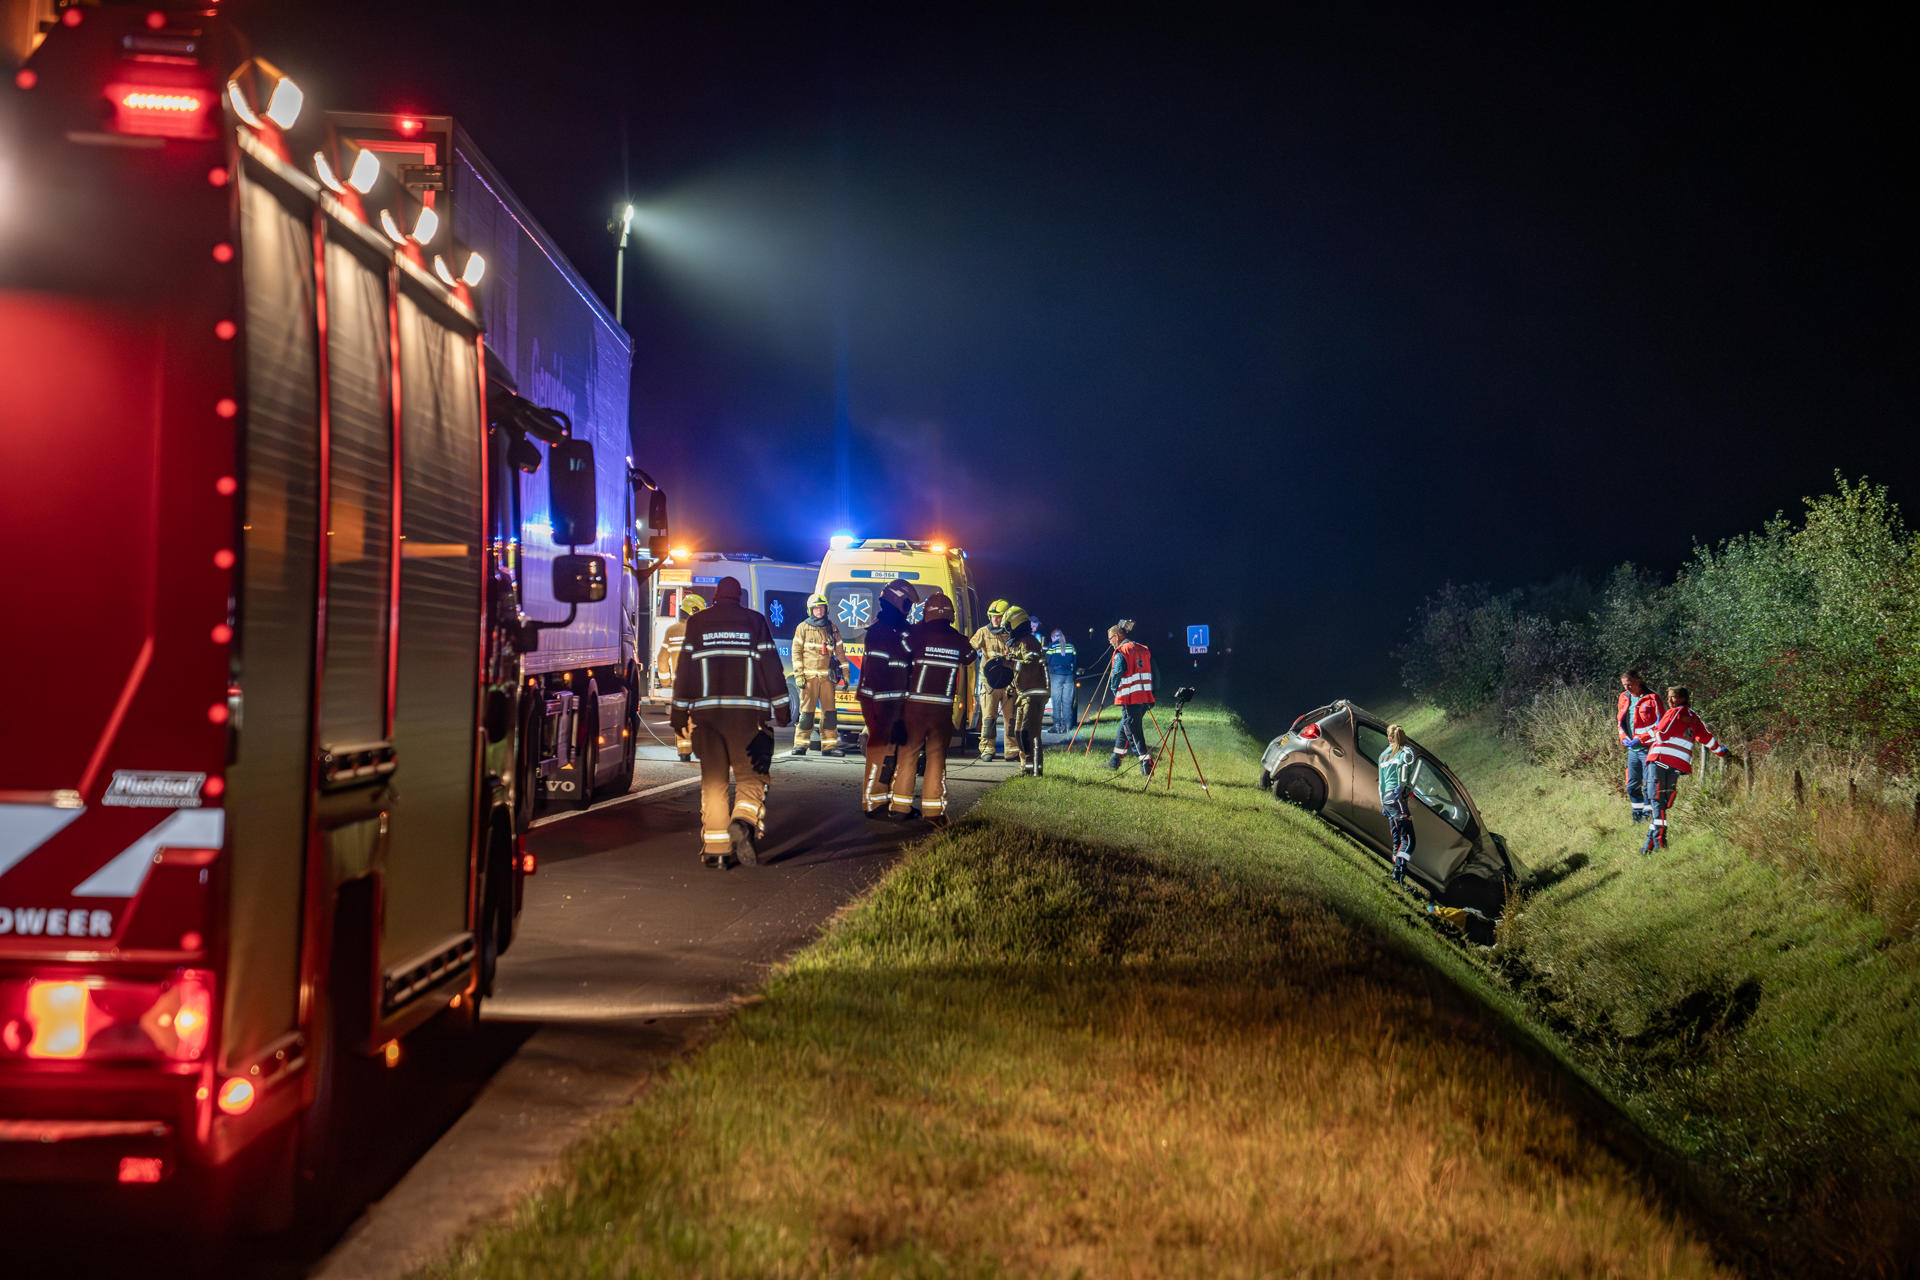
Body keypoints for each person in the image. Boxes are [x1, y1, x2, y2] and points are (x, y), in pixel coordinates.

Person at [669, 576, 790, 869]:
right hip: (748, 719)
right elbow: (772, 667)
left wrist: (678, 713)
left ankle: (717, 848)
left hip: (707, 719)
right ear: (739, 597)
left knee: (713, 782)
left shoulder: (697, 624)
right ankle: (743, 821)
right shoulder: (755, 622)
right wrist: (782, 708)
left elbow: (685, 670)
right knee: (752, 777)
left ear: (715, 597)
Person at [890, 590, 976, 824]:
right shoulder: (958, 640)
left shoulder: (915, 634)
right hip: (941, 712)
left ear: (926, 612)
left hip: (914, 709)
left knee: (907, 756)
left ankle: (899, 807)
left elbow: (900, 654)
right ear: (951, 614)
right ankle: (933, 813)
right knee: (936, 759)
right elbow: (971, 656)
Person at [1642, 686, 1732, 852]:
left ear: (1682, 698)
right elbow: (1707, 738)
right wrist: (1720, 752)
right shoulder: (1694, 717)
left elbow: (1661, 733)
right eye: (1668, 697)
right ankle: (1648, 844)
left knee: (1656, 801)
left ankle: (1659, 842)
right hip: (1678, 765)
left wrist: (1642, 736)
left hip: (1660, 760)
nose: (1669, 701)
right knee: (1663, 803)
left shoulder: (1674, 712)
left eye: (1673, 697)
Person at [856, 578, 918, 816]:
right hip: (881, 703)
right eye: (908, 604)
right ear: (897, 601)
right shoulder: (881, 632)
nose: (909, 609)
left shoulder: (895, 629)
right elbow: (879, 673)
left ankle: (885, 801)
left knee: (890, 753)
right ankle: (873, 804)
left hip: (891, 703)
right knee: (880, 751)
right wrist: (890, 716)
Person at [790, 594, 848, 757]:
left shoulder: (832, 627)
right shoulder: (803, 628)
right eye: (816, 608)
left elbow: (840, 652)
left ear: (826, 609)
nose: (819, 611)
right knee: (806, 714)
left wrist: (845, 673)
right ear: (810, 610)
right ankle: (800, 745)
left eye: (821, 608)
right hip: (809, 679)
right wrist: (799, 675)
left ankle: (829, 746)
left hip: (827, 680)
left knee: (829, 714)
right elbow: (796, 652)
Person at [654, 592, 706, 761]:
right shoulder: (703, 632)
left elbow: (662, 658)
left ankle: (684, 751)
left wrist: (665, 681)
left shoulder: (672, 631)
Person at [1002, 606, 1049, 775]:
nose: (1006, 628)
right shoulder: (1019, 642)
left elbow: (1030, 667)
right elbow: (1018, 673)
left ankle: (1035, 771)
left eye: (1008, 624)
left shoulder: (1029, 642)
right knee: (1019, 732)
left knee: (1031, 733)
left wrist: (1009, 663)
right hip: (1024, 693)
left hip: (1034, 692)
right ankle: (1027, 768)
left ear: (1016, 623)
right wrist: (1010, 687)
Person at [1104, 619, 1154, 775]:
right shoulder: (1143, 649)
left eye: (1110, 639)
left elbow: (1117, 674)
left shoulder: (1121, 651)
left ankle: (1146, 764)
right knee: (1124, 727)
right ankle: (1114, 760)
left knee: (1132, 730)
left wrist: (1115, 690)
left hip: (1130, 697)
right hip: (1144, 696)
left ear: (1117, 636)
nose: (1110, 643)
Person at [1616, 669, 1665, 827]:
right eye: (1624, 685)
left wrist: (1641, 738)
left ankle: (1647, 814)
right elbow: (1620, 722)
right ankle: (1637, 814)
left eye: (1629, 684)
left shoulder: (1652, 698)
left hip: (1648, 749)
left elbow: (1660, 726)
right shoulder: (1623, 698)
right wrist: (1624, 738)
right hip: (1632, 750)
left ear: (1638, 681)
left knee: (1648, 785)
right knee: (1631, 785)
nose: (1627, 688)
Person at [968, 599, 1014, 760]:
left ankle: (1012, 751)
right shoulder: (982, 632)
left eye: (999, 616)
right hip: (990, 684)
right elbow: (971, 647)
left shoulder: (1011, 634)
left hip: (1009, 684)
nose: (996, 619)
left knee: (1011, 719)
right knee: (988, 718)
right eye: (993, 616)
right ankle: (987, 750)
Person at [1379, 723, 1417, 883]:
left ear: (1389, 738)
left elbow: (1381, 783)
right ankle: (1399, 874)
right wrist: (1402, 787)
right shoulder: (1406, 751)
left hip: (1387, 800)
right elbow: (1404, 770)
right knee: (1409, 841)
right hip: (1398, 799)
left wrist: (1383, 803)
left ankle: (1397, 875)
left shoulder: (1382, 756)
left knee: (1397, 841)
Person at [1045, 628, 1078, 733]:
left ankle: (1057, 726)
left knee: (1056, 702)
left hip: (1056, 676)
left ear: (1054, 637)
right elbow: (1075, 662)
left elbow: (1046, 661)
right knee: (1068, 703)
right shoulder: (1071, 647)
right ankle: (1067, 727)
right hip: (1068, 677)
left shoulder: (1052, 647)